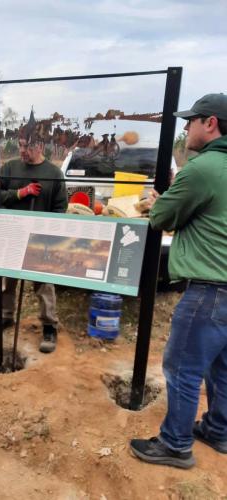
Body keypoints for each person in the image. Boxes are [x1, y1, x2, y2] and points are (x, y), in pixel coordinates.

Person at [130, 93, 227, 468]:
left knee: (182, 367)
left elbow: (161, 218)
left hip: (209, 291)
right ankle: (218, 431)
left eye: (191, 121)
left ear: (211, 124)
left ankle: (174, 445)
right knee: (221, 366)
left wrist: (158, 201)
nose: (186, 128)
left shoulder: (202, 168)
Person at [0, 114, 68, 353]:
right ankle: (6, 316)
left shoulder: (54, 173)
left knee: (44, 284)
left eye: (26, 147)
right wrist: (20, 193)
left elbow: (61, 206)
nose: (21, 151)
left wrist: (50, 231)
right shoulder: (9, 168)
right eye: (19, 146)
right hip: (13, 233)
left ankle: (49, 326)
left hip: (41, 238)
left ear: (39, 146)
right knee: (7, 281)